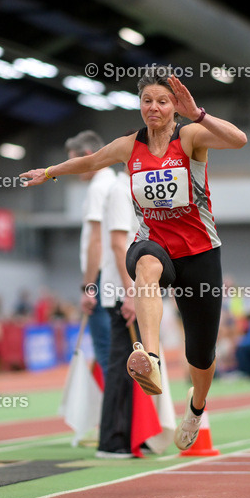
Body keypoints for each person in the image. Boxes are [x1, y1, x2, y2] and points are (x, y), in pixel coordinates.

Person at [22, 67, 247, 450]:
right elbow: (91, 161)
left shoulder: (190, 136)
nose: (154, 108)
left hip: (199, 253)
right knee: (145, 266)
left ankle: (195, 407)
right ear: (140, 105)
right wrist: (50, 172)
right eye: (147, 101)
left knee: (201, 355)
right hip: (154, 244)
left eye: (162, 101)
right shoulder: (130, 146)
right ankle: (151, 358)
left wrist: (199, 114)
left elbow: (239, 140)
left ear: (174, 106)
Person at [95, 159, 138, 458]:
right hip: (122, 294)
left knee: (135, 368)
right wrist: (130, 291)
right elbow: (118, 244)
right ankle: (112, 439)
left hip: (129, 291)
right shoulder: (121, 192)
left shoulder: (132, 190)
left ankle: (132, 434)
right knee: (122, 367)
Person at [66, 130, 116, 378]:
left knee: (107, 353)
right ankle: (127, 413)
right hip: (117, 276)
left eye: (72, 161)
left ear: (87, 156)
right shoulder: (116, 183)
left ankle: (117, 415)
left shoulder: (98, 189)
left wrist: (88, 287)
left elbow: (95, 242)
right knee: (119, 352)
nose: (72, 169)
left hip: (100, 276)